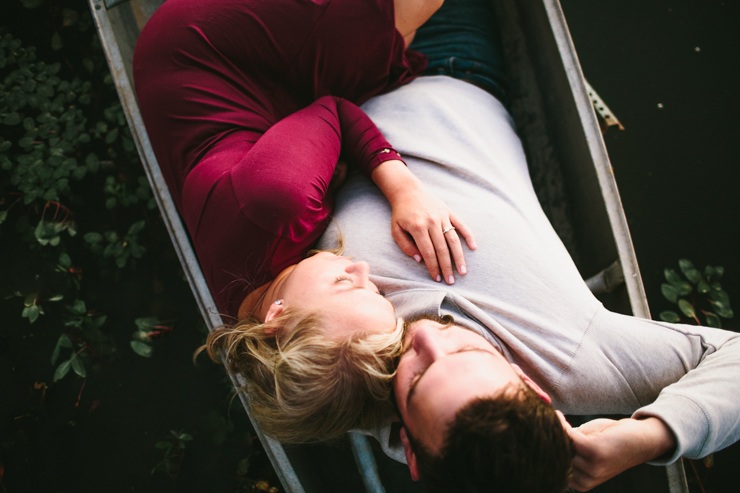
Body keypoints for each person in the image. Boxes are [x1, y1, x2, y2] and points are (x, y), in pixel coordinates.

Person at [315, 71, 740, 492]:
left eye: (417, 379)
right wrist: (652, 436)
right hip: (443, 66)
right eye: (465, 350)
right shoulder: (577, 358)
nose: (425, 338)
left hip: (311, 118)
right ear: (533, 387)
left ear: (407, 446)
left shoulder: (347, 386)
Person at [133, 0, 481, 443]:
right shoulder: (249, 314)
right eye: (374, 291)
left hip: (204, 42)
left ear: (277, 317)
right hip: (229, 91)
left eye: (345, 285)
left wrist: (404, 189)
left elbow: (333, 110)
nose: (363, 269)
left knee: (407, 13)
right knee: (393, 44)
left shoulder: (280, 206)